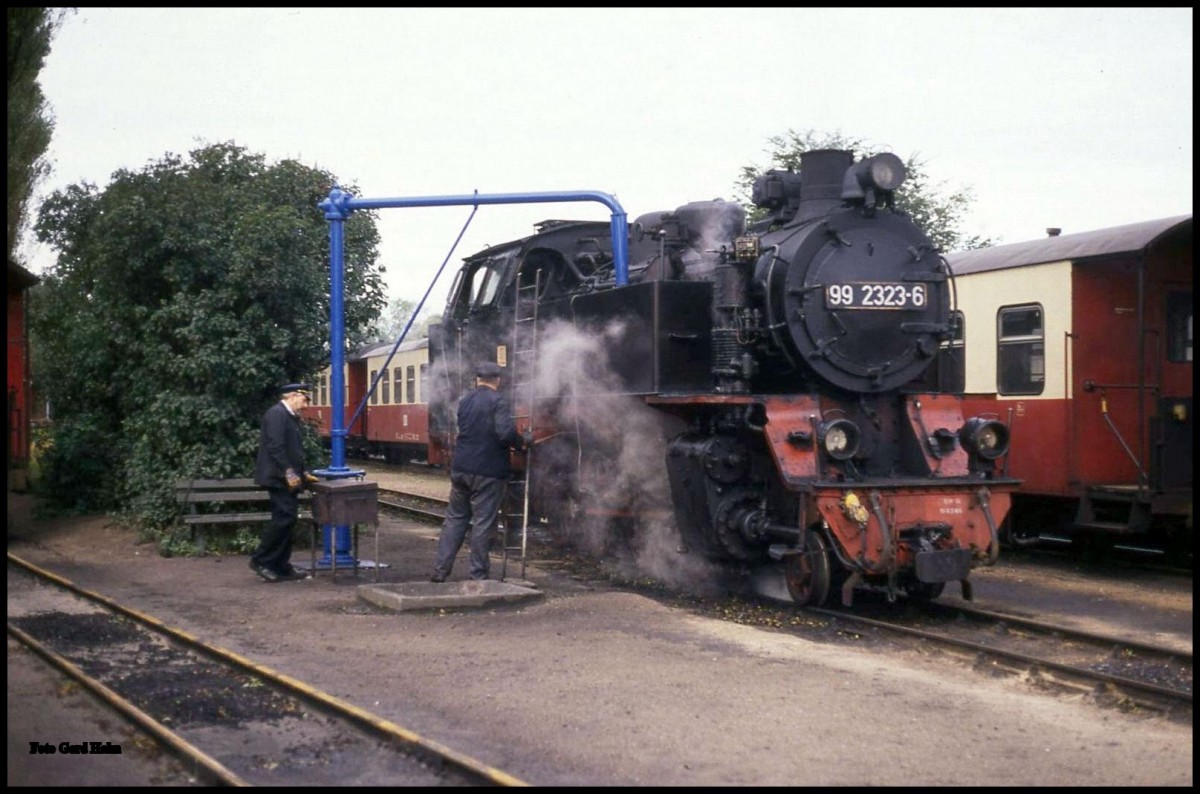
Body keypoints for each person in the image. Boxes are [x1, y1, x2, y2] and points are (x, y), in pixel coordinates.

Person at [431, 362, 529, 583]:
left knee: (455, 520)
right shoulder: (499, 401)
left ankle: (440, 570)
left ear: (477, 380)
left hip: (461, 467)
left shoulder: (465, 401)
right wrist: (522, 442)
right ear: (498, 380)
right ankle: (478, 575)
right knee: (483, 522)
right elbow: (504, 433)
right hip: (488, 470)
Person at [250, 382, 318, 583]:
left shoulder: (288, 416)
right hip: (277, 477)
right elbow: (276, 446)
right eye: (304, 399)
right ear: (293, 395)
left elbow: (292, 449)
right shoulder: (277, 414)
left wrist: (302, 471)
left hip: (287, 478)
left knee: (287, 519)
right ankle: (261, 560)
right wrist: (288, 472)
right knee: (283, 519)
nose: (306, 405)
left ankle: (280, 565)